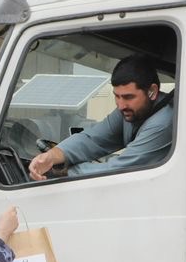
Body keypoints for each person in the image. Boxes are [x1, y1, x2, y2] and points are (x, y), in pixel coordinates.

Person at [26, 54, 174, 180]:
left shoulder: (164, 122)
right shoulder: (131, 110)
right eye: (117, 96)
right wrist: (51, 157)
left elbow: (119, 169)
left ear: (152, 92)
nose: (121, 105)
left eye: (129, 97)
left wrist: (63, 173)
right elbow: (93, 139)